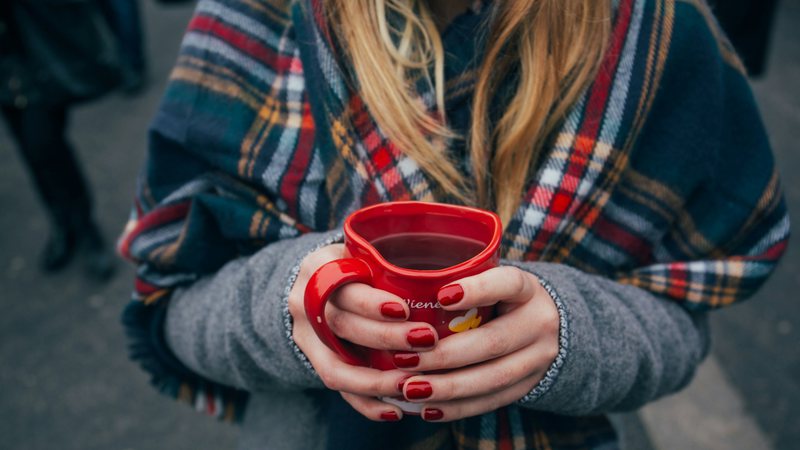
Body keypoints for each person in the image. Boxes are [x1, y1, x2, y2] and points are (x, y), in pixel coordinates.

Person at [118, 0, 789, 448]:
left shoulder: (655, 33)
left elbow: (680, 326)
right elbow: (172, 308)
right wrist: (291, 303)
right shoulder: (254, 15)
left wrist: (573, 333)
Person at [1, 0, 116, 281]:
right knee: (31, 152)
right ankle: (62, 223)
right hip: (5, 65)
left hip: (36, 50)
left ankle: (86, 227)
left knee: (45, 143)